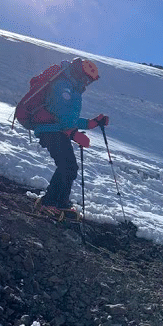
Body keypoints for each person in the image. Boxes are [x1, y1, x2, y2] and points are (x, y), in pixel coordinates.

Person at [34, 57, 109, 213]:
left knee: (69, 166)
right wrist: (74, 134)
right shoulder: (63, 85)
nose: (87, 83)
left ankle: (59, 202)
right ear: (80, 73)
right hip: (50, 130)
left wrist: (92, 123)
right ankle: (50, 203)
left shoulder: (72, 87)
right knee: (67, 166)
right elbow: (61, 114)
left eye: (90, 81)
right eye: (87, 79)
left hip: (56, 130)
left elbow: (69, 118)